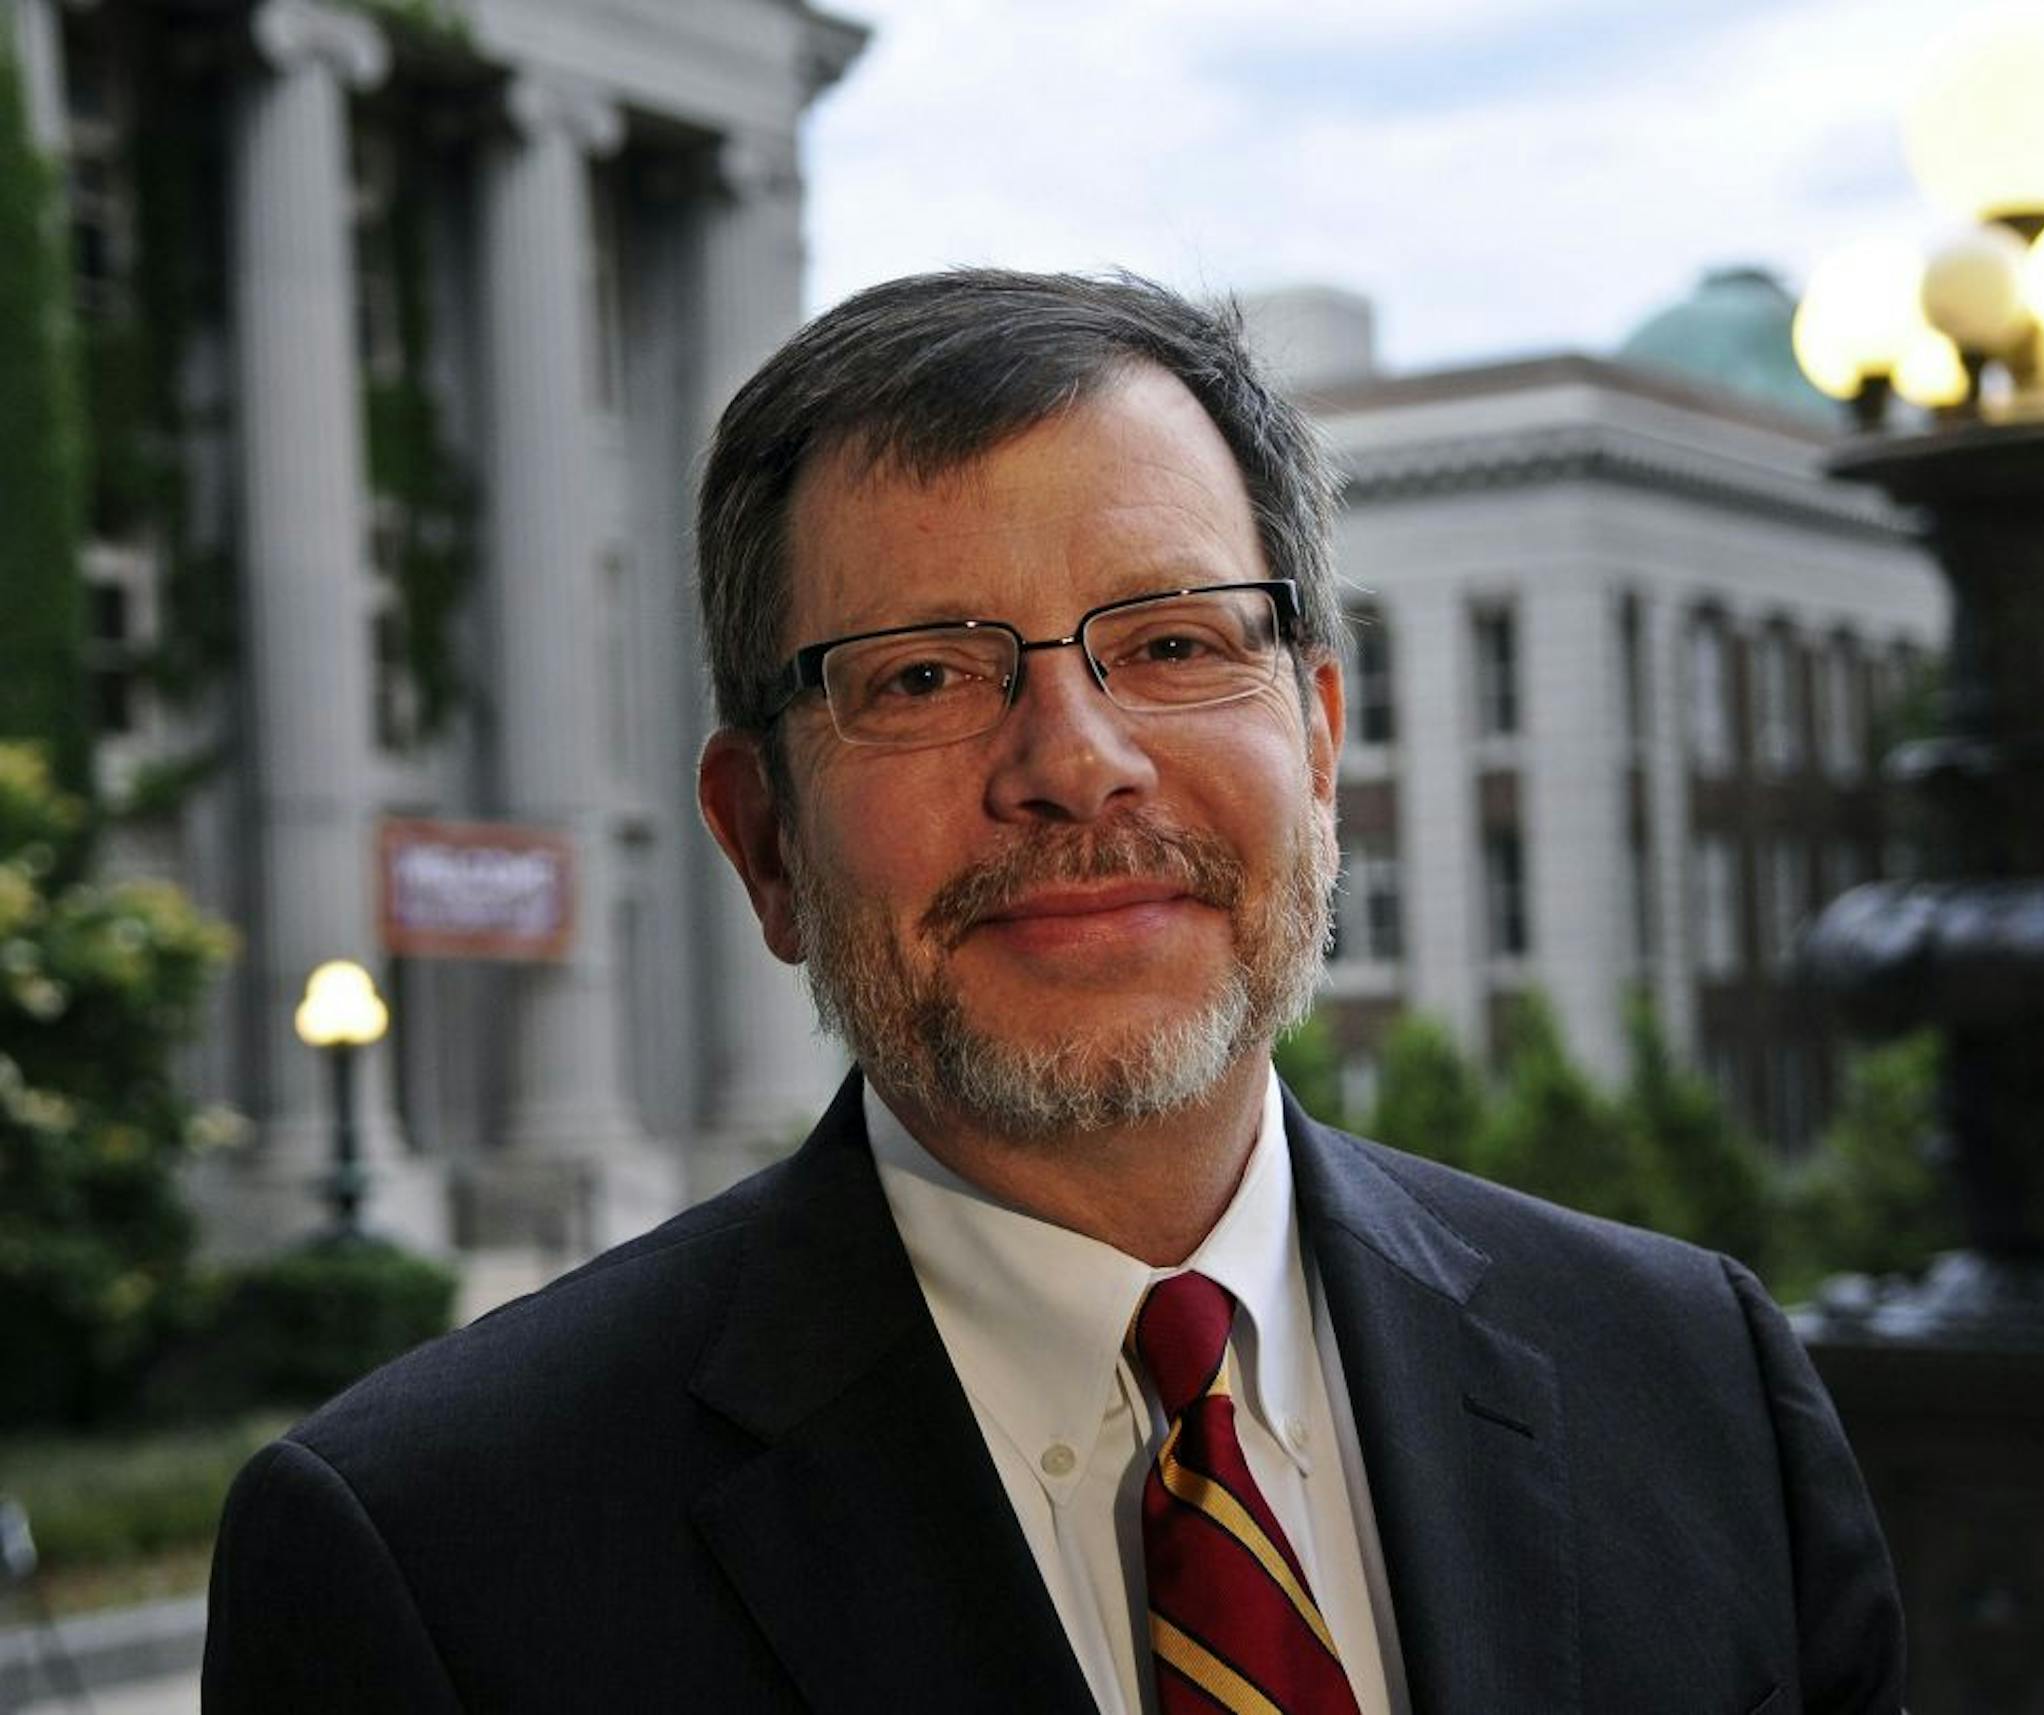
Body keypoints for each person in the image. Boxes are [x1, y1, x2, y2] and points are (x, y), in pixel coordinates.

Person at [203, 270, 1904, 1714]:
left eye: (1172, 643)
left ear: (1316, 738)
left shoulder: (1695, 1384)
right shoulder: (429, 1565)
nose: (1077, 767)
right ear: (764, 841)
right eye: (925, 674)